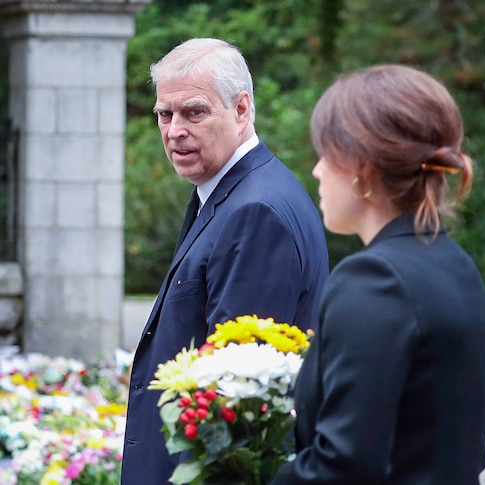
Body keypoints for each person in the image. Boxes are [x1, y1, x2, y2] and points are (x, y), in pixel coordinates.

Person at [270, 64, 485, 484]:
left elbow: (342, 467)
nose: (317, 171)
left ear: (362, 167)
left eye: (326, 154)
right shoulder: (455, 267)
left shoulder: (374, 280)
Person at [122, 38, 329, 485]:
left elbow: (239, 401)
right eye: (164, 114)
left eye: (194, 112)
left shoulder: (255, 212)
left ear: (241, 110)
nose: (174, 129)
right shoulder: (233, 192)